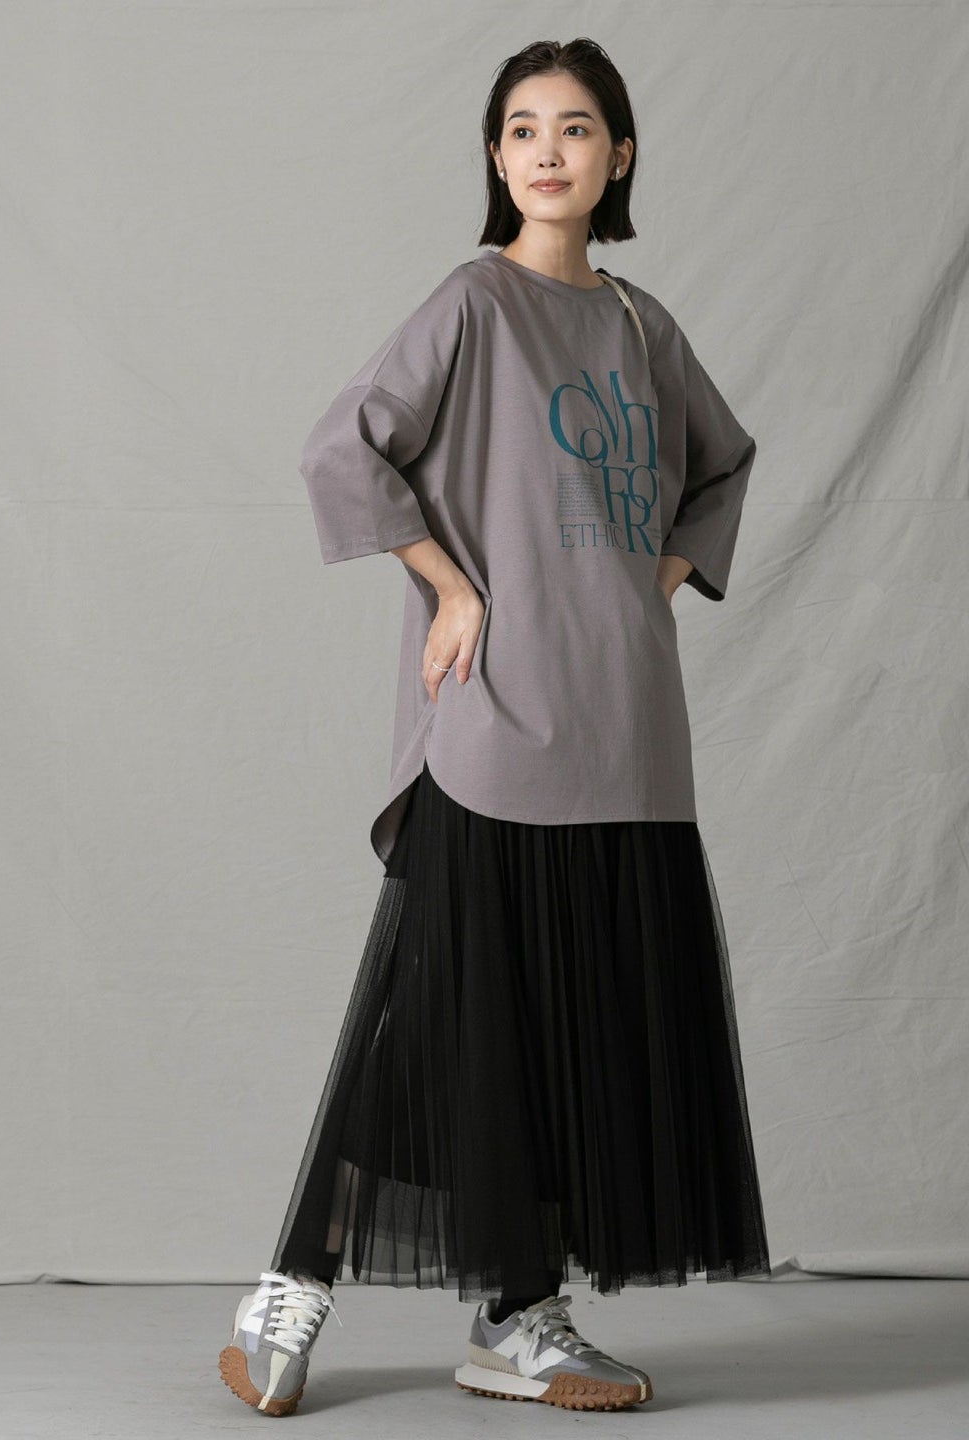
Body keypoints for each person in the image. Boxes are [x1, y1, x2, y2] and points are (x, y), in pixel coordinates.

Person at [218, 36, 772, 1417]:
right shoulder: (473, 302)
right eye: (521, 128)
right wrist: (452, 584)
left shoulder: (643, 327)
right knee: (428, 1025)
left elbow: (720, 465)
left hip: (628, 734)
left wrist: (651, 580)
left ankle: (519, 1317)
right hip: (495, 724)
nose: (546, 151)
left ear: (620, 156)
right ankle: (287, 1290)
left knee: (571, 1036)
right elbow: (344, 445)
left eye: (574, 127)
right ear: (494, 157)